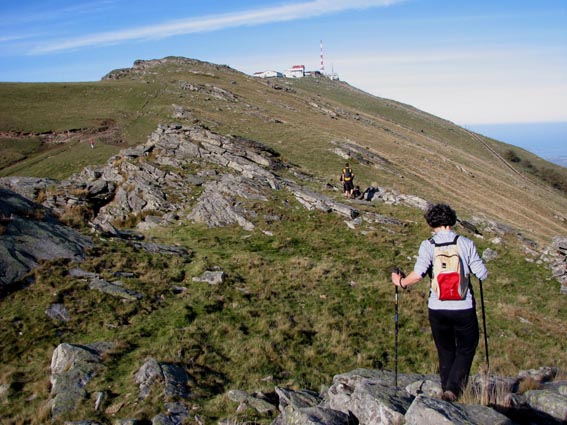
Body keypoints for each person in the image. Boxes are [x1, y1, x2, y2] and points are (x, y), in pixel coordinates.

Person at [391, 203, 488, 402]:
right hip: (463, 306)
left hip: (437, 307)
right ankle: (452, 390)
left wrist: (400, 282)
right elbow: (482, 274)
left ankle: (447, 389)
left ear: (431, 222)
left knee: (445, 349)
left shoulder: (428, 245)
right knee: (467, 347)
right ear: (451, 220)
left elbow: (417, 275)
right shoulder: (465, 243)